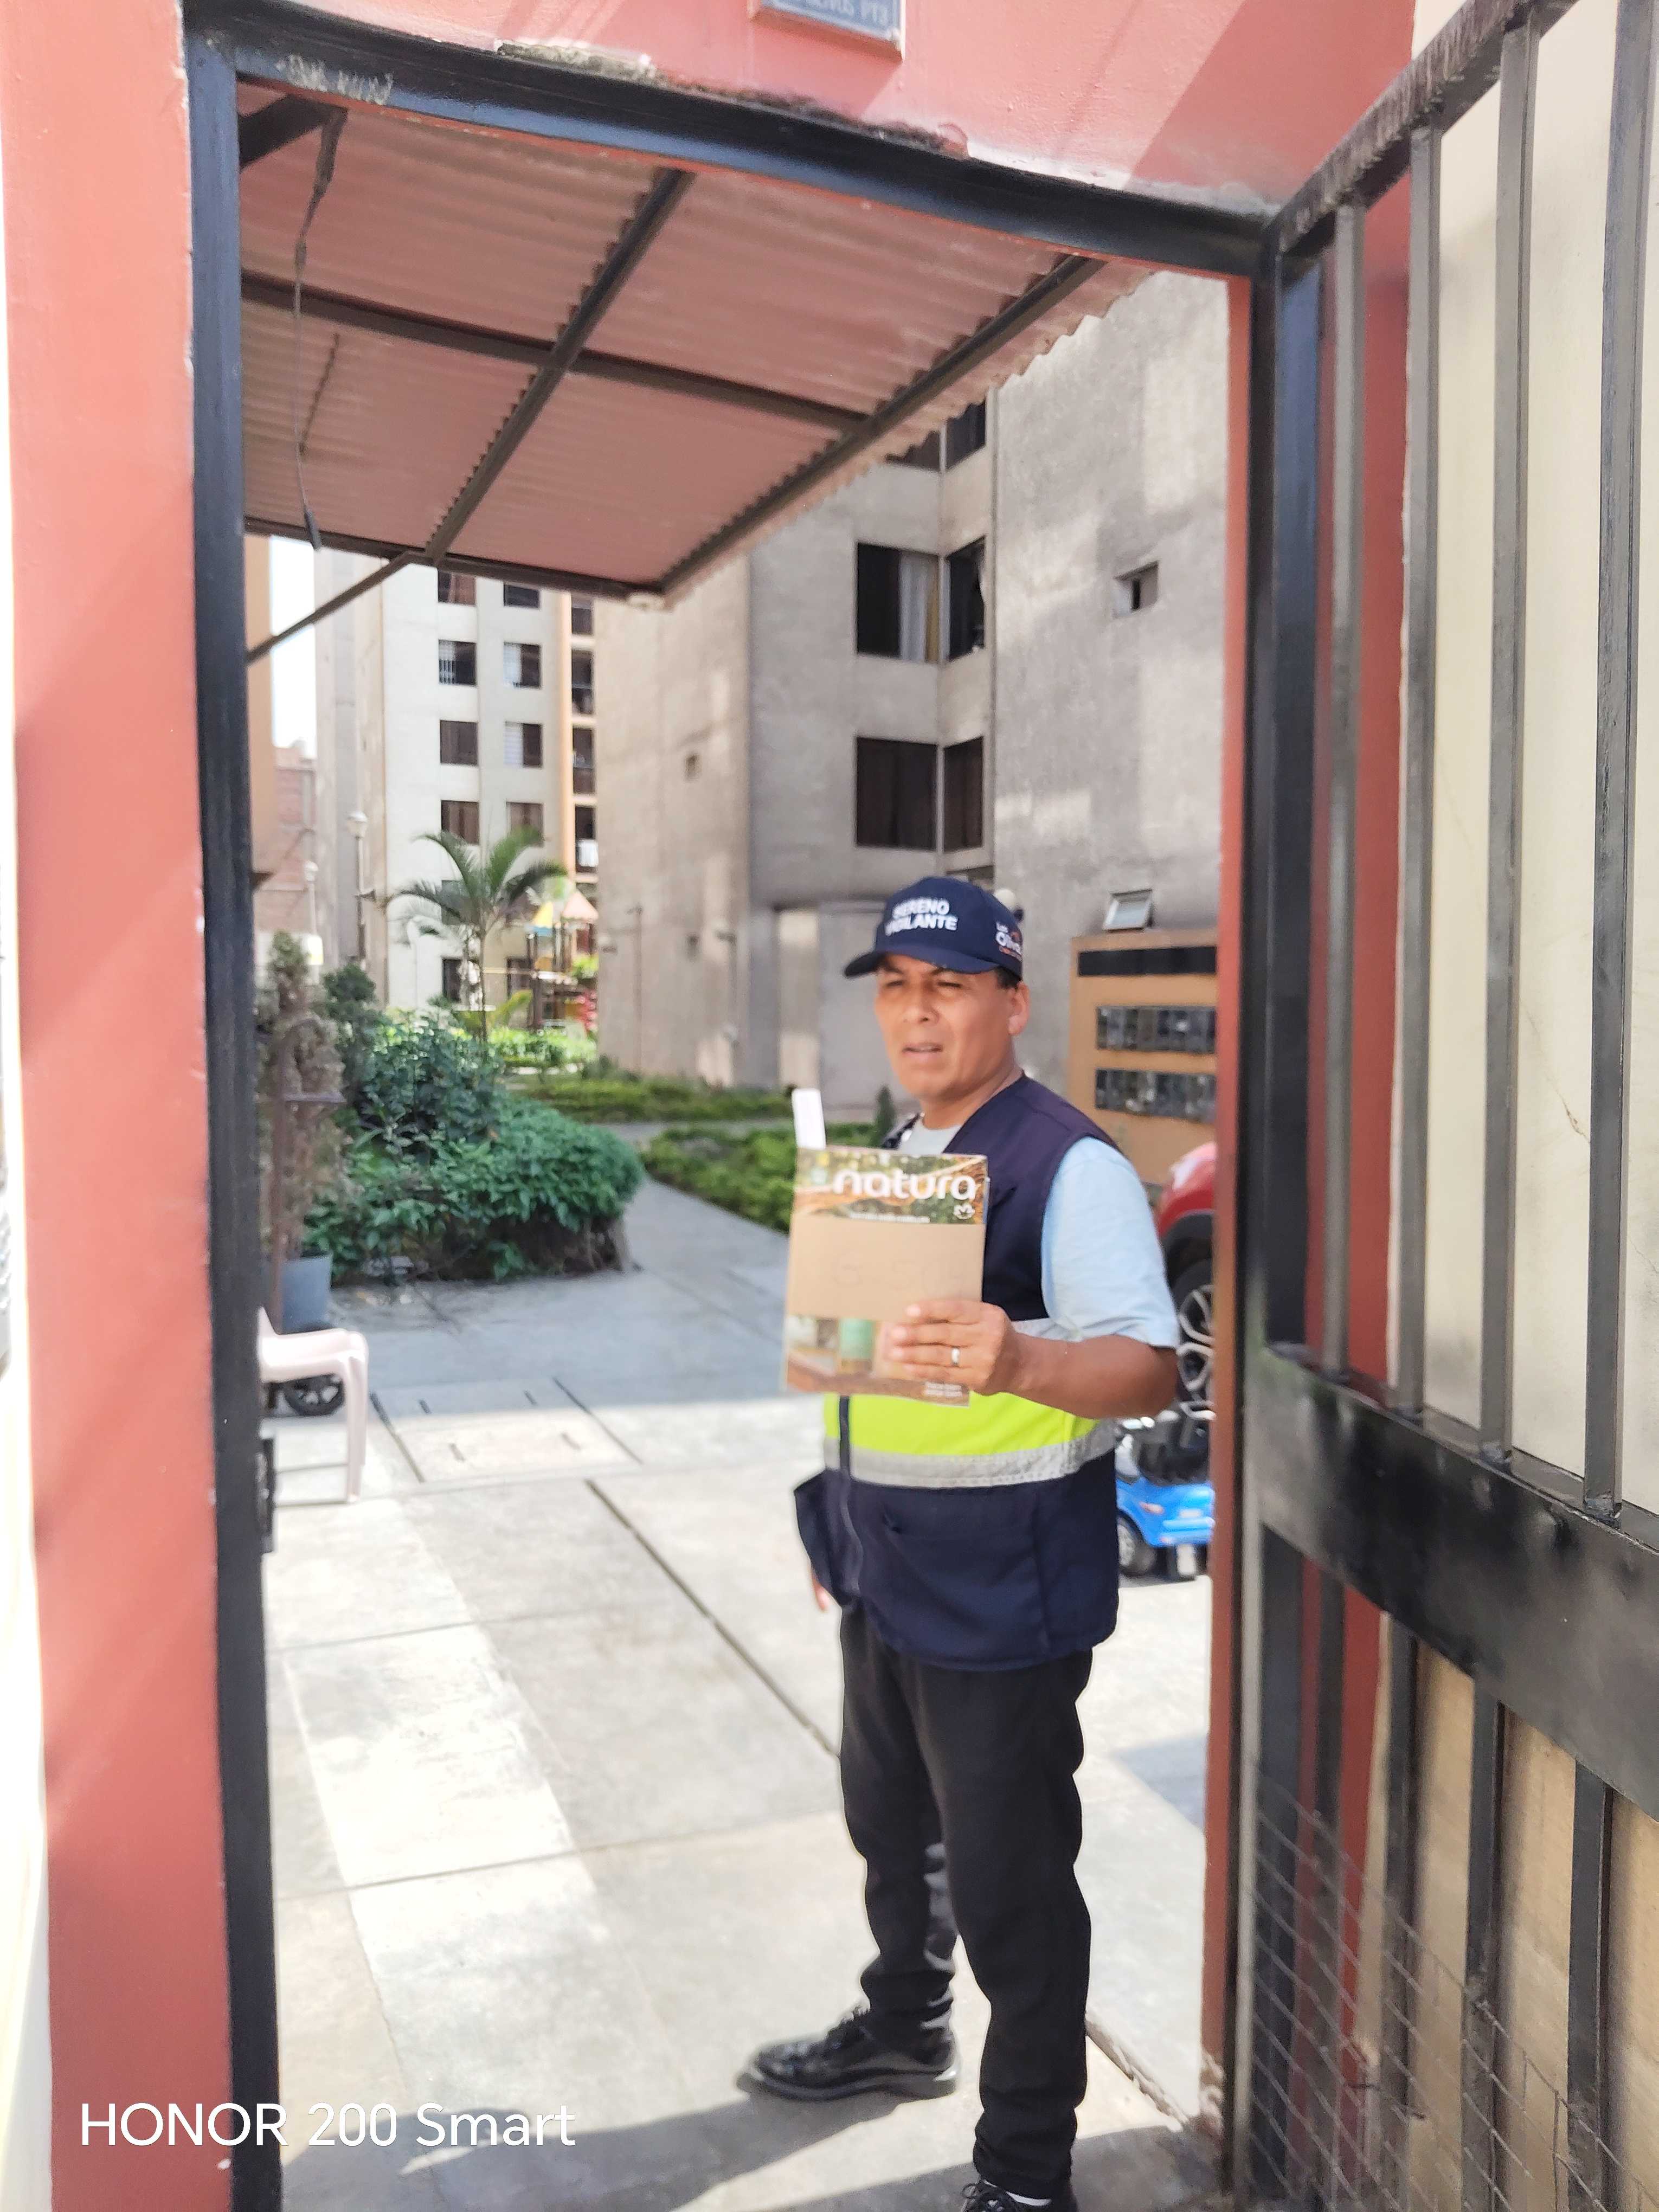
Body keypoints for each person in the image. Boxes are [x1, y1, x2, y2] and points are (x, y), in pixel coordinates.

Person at [748, 877, 1180, 2212]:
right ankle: (905, 2028)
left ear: (1013, 1002)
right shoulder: (907, 1150)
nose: (916, 1013)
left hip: (1004, 1595)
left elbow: (1150, 1370)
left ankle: (1028, 2171)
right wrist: (842, 1514)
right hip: (888, 1573)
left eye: (948, 986)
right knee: (893, 1833)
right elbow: (876, 1366)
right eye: (896, 986)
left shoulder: (1067, 1166)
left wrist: (1026, 1359)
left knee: (1012, 1892)